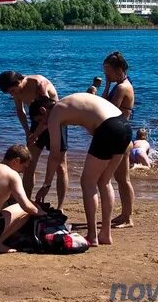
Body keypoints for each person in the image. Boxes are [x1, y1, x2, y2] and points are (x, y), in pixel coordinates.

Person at [29, 93, 132, 246]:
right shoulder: (66, 103)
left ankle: (92, 236)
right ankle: (105, 234)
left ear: (43, 110)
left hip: (108, 128)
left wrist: (46, 185)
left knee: (87, 182)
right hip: (124, 126)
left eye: (39, 120)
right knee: (104, 181)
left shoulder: (55, 113)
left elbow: (55, 155)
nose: (42, 124)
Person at [0, 71, 69, 211]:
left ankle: (60, 207)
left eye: (12, 91)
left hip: (55, 120)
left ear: (19, 82)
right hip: (37, 121)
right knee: (28, 164)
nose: (12, 94)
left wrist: (35, 135)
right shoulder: (16, 92)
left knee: (60, 166)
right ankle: (26, 202)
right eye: (9, 93)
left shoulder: (38, 84)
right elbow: (20, 111)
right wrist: (27, 131)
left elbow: (47, 113)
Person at [101, 51, 136, 228]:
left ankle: (128, 217)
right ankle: (124, 214)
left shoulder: (123, 87)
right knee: (120, 178)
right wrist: (106, 85)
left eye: (108, 71)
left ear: (119, 69)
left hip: (121, 136)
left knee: (123, 179)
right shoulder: (118, 85)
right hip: (119, 134)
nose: (106, 74)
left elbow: (109, 110)